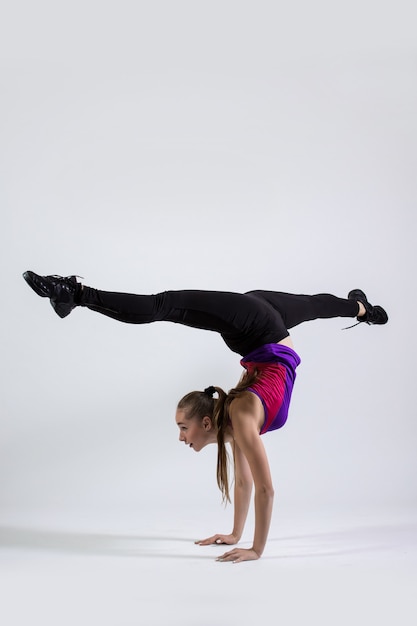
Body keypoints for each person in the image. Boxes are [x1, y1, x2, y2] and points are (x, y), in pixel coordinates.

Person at [22, 270, 388, 563]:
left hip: (259, 329)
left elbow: (251, 486)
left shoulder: (239, 417)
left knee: (312, 306)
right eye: (184, 428)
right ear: (208, 423)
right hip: (259, 326)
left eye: (183, 427)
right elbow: (260, 488)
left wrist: (247, 542)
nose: (182, 436)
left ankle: (360, 309)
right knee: (164, 305)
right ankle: (73, 292)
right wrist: (245, 543)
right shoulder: (241, 417)